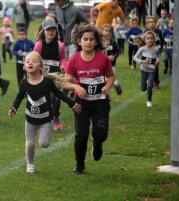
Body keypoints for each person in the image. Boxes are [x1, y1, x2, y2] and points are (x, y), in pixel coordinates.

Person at [8, 52, 82, 174]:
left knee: (44, 144)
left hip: (45, 120)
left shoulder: (47, 82)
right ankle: (30, 164)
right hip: (30, 120)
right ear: (25, 67)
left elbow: (59, 94)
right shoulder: (24, 83)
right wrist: (13, 108)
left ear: (41, 66)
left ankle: (44, 139)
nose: (30, 63)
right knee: (30, 144)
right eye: (27, 62)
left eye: (34, 61)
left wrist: (72, 103)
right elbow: (19, 97)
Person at [64, 24, 114, 175]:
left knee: (101, 133)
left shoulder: (103, 59)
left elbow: (111, 76)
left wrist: (107, 86)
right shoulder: (74, 60)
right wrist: (76, 88)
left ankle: (97, 143)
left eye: (92, 39)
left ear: (96, 41)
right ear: (79, 41)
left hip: (101, 102)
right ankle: (79, 165)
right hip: (82, 103)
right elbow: (66, 82)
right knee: (81, 134)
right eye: (85, 39)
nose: (88, 42)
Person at [33, 19, 66, 130]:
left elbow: (62, 58)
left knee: (55, 98)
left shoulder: (60, 45)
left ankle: (55, 116)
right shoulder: (39, 45)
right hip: (42, 76)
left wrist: (62, 65)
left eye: (53, 29)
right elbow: (34, 59)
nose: (50, 32)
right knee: (42, 98)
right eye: (48, 30)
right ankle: (41, 118)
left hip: (56, 76)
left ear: (56, 30)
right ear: (43, 31)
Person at [133, 31, 160, 107]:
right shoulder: (142, 49)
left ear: (154, 40)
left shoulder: (156, 49)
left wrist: (157, 61)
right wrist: (141, 61)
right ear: (145, 40)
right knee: (143, 88)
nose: (149, 40)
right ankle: (148, 82)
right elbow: (134, 57)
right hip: (143, 70)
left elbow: (158, 56)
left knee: (149, 86)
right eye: (147, 38)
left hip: (152, 70)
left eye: (151, 38)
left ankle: (149, 101)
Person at [144, 16, 166, 89]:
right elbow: (142, 41)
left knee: (155, 66)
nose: (152, 23)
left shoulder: (158, 31)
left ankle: (156, 82)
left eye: (153, 22)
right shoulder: (145, 31)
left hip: (156, 51)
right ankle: (148, 81)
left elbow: (162, 39)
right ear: (147, 24)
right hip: (147, 52)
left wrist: (165, 45)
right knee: (147, 66)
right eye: (150, 22)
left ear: (156, 23)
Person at [100, 24, 122, 96]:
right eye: (106, 31)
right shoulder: (98, 42)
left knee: (109, 80)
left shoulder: (112, 41)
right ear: (101, 31)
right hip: (101, 64)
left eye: (109, 31)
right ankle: (107, 95)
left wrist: (114, 56)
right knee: (102, 81)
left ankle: (114, 85)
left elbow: (117, 51)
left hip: (111, 64)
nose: (108, 32)